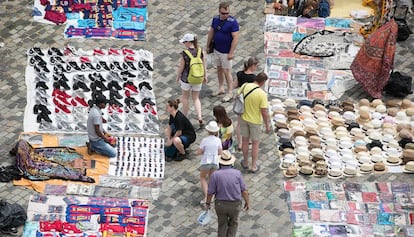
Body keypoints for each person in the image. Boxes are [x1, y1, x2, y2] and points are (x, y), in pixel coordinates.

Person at [206, 150, 249, 237]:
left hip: (220, 204)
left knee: (222, 225)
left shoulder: (215, 175)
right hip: (235, 204)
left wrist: (207, 203)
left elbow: (210, 192)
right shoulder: (237, 173)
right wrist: (247, 202)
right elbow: (244, 191)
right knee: (233, 223)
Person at [206, 2, 240, 103]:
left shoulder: (233, 22)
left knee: (227, 71)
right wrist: (208, 45)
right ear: (219, 11)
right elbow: (211, 31)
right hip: (217, 49)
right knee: (219, 69)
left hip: (226, 52)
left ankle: (230, 91)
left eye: (227, 13)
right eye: (223, 13)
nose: (225, 15)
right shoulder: (216, 19)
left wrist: (231, 52)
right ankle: (221, 87)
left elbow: (235, 38)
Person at [239, 72, 271, 173]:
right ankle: (253, 166)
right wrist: (267, 125)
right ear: (262, 82)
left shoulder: (245, 86)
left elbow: (238, 96)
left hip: (244, 118)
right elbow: (264, 111)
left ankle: (245, 162)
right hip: (255, 122)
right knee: (255, 144)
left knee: (244, 141)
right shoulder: (262, 94)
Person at [176, 33, 207, 129]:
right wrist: (205, 76)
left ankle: (185, 117)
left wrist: (178, 76)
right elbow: (204, 65)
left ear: (189, 42)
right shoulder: (200, 51)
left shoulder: (185, 53)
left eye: (185, 42)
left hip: (186, 79)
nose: (184, 44)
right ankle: (200, 117)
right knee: (196, 98)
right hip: (198, 78)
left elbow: (182, 67)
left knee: (185, 98)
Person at [233, 56, 259, 151]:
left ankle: (240, 144)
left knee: (239, 124)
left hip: (241, 101)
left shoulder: (239, 74)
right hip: (250, 102)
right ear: (252, 66)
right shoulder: (254, 78)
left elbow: (234, 85)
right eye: (256, 66)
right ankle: (249, 140)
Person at [196, 120, 223, 204]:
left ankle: (207, 196)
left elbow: (199, 152)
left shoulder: (205, 140)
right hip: (215, 162)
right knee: (211, 179)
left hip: (206, 162)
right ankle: (212, 196)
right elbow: (220, 152)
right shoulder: (218, 140)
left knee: (203, 178)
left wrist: (205, 152)